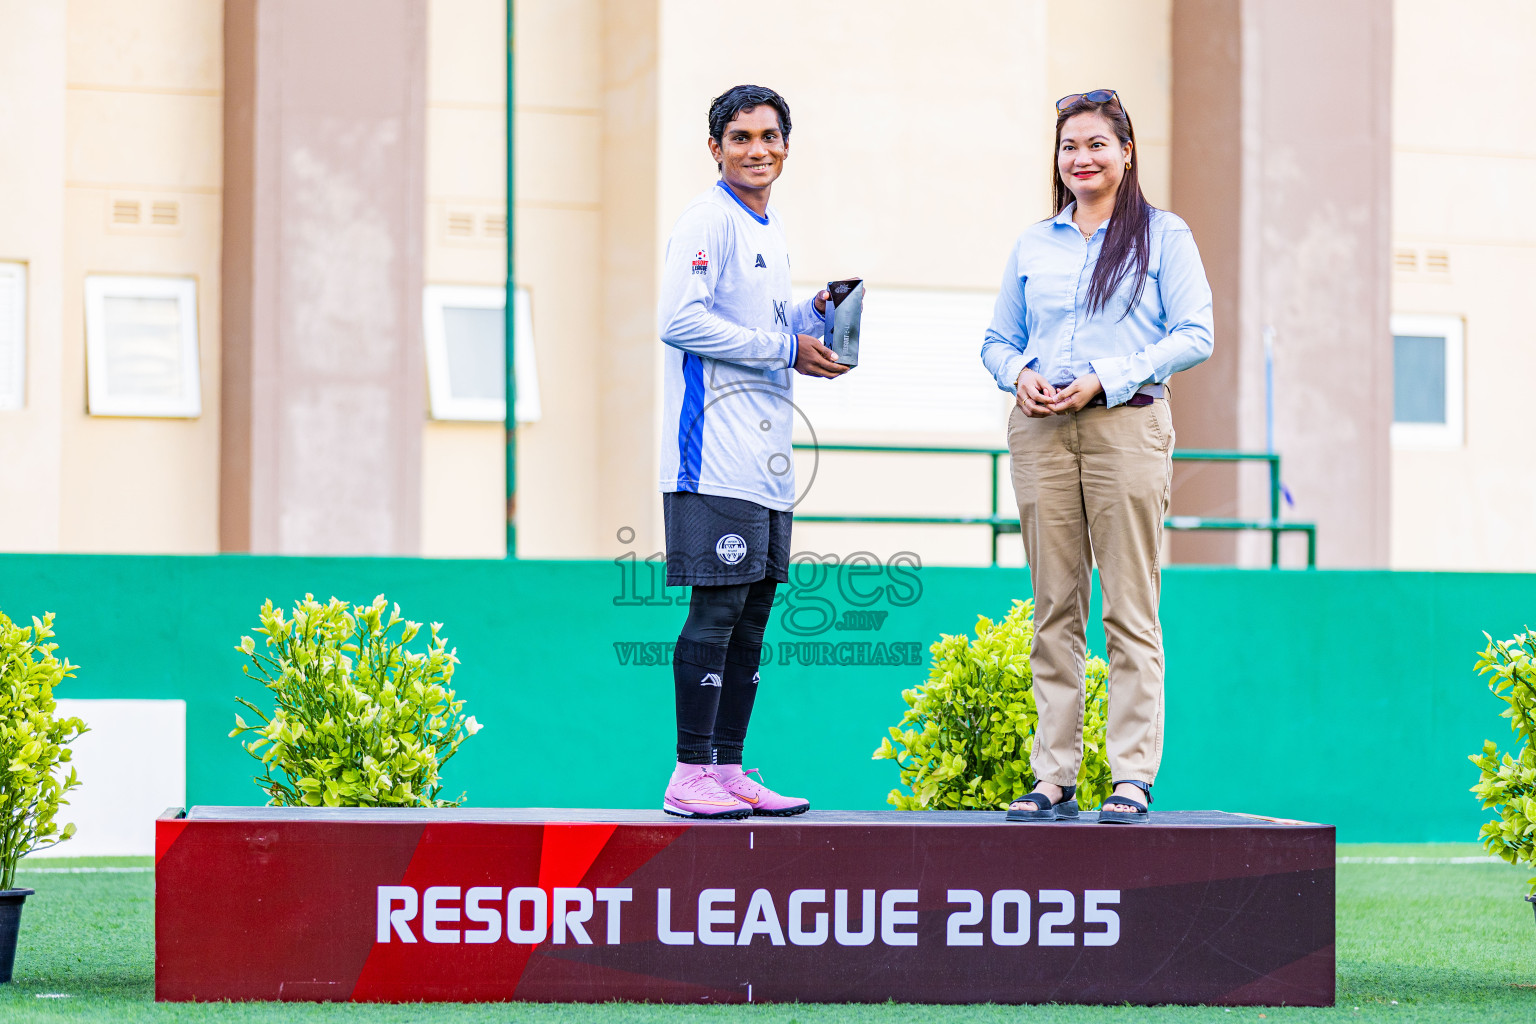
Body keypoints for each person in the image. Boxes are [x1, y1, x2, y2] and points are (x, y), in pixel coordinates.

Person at [980, 89, 1213, 824]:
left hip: (1127, 427)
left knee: (1130, 610)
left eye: (1095, 146)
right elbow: (994, 340)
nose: (1081, 159)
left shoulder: (1162, 236)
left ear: (1126, 152)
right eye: (1068, 147)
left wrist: (1105, 378)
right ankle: (1053, 779)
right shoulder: (1034, 243)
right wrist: (1016, 374)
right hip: (1041, 431)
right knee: (1055, 608)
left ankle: (1131, 779)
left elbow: (1195, 333)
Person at [656, 84, 851, 819]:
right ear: (716, 148)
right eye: (740, 138)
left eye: (769, 136)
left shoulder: (768, 229)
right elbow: (680, 320)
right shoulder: (706, 219)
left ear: (787, 147)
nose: (757, 149)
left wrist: (811, 315)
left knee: (753, 614)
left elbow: (758, 322)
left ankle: (728, 769)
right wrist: (784, 345)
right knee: (718, 609)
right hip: (713, 457)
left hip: (766, 462)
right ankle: (687, 773)